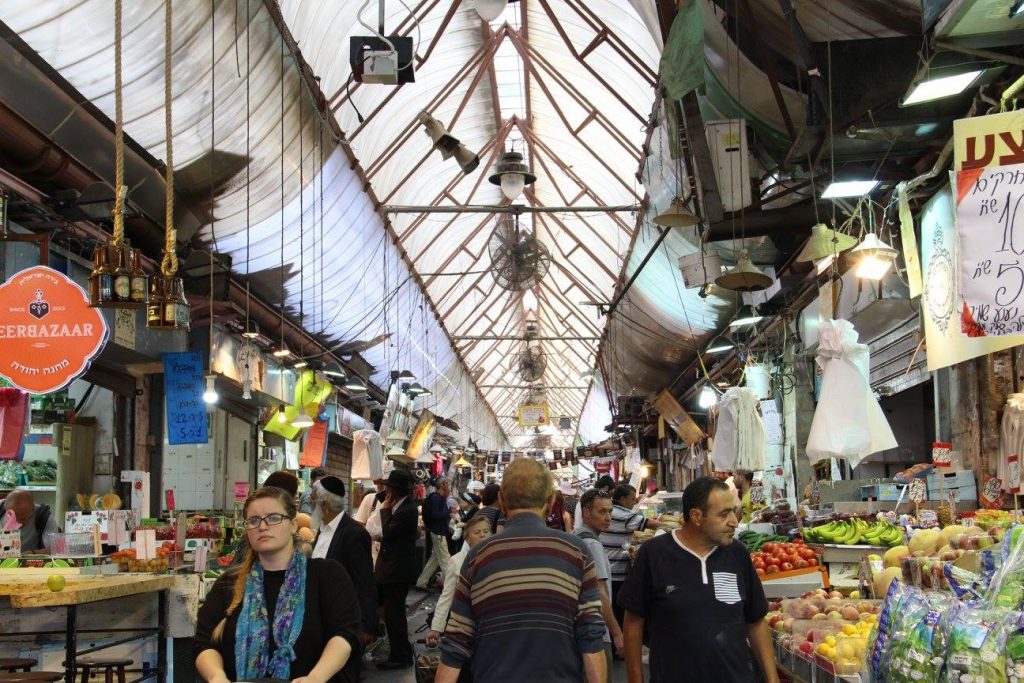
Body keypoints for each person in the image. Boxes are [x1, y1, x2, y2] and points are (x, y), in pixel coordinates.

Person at [436, 457, 607, 683]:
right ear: (549, 500)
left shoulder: (478, 556)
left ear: (501, 500)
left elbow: (457, 641)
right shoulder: (577, 551)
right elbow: (591, 636)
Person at [617, 477, 777, 683]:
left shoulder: (737, 554)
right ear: (696, 516)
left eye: (733, 511)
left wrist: (773, 680)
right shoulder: (654, 554)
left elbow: (755, 621)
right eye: (724, 514)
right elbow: (633, 623)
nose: (734, 522)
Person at [195, 486, 362, 683]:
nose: (262, 527)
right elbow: (204, 643)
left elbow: (345, 635)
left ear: (293, 524)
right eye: (254, 520)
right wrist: (216, 677)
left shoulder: (327, 575)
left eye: (273, 518)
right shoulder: (229, 583)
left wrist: (315, 678)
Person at [309, 476, 378, 672]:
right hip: (319, 619)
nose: (311, 503)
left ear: (324, 503)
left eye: (313, 499)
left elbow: (364, 582)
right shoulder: (322, 531)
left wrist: (366, 626)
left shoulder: (353, 533)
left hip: (343, 621)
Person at [575, 489, 623, 683]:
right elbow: (600, 592)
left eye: (610, 511)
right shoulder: (591, 543)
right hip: (596, 632)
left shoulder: (576, 537)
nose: (608, 517)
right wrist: (617, 633)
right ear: (586, 513)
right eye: (602, 511)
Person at [424, 515, 492, 650]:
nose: (482, 535)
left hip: (491, 623)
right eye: (476, 532)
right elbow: (447, 596)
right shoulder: (457, 561)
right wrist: (436, 628)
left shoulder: (498, 558)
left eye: (486, 531)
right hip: (466, 625)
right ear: (467, 538)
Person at [374, 469, 419, 670]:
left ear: (394, 490)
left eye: (388, 488)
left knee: (395, 615)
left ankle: (400, 655)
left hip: (396, 571)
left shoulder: (407, 509)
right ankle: (401, 652)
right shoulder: (403, 507)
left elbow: (389, 533)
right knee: (393, 614)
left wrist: (385, 509)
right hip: (392, 570)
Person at [602, 484, 662, 630]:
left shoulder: (610, 511)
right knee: (619, 612)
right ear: (622, 499)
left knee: (611, 611)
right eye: (631, 499)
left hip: (607, 569)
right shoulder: (624, 515)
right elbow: (653, 524)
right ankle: (620, 644)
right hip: (617, 573)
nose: (634, 502)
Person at [416, 478, 452, 591]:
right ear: (442, 485)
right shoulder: (437, 498)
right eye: (447, 484)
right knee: (446, 560)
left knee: (434, 560)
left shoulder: (436, 497)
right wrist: (449, 512)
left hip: (436, 532)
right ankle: (452, 587)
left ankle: (421, 583)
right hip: (438, 533)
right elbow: (435, 515)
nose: (449, 487)